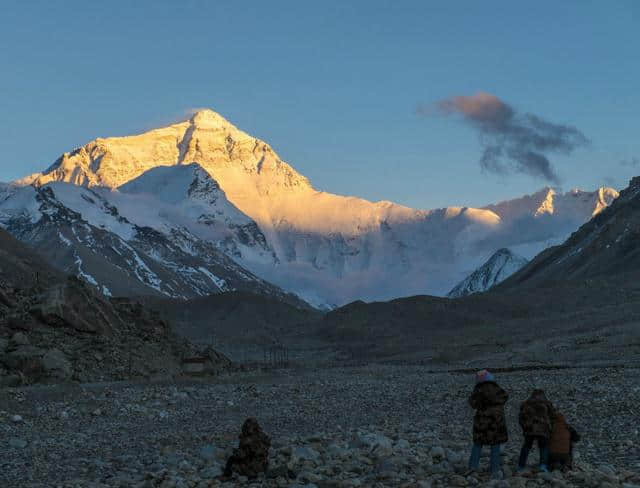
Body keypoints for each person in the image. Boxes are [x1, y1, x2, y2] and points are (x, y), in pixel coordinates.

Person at [467, 369, 509, 480]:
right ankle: (495, 470)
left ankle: (472, 467)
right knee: (495, 445)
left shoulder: (478, 390)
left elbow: (472, 403)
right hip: (496, 420)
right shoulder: (497, 389)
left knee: (478, 444)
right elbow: (505, 397)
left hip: (482, 421)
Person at [518, 389, 555, 472]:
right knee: (544, 447)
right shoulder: (547, 403)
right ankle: (543, 466)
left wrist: (524, 428)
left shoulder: (526, 403)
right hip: (543, 429)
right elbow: (553, 416)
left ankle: (520, 466)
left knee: (526, 447)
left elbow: (521, 417)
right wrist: (550, 427)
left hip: (529, 428)